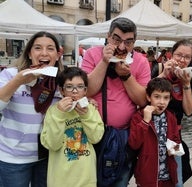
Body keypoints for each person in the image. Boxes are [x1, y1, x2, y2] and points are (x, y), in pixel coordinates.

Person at [81, 17, 151, 187]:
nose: (121, 47)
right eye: (116, 39)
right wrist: (104, 62)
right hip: (91, 133)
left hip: (124, 134)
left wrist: (126, 76)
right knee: (90, 180)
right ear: (108, 36)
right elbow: (87, 90)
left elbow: (143, 100)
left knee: (120, 179)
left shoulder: (140, 61)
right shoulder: (92, 54)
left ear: (134, 42)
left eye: (128, 42)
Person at [0, 31, 64, 187]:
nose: (44, 53)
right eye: (37, 48)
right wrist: (18, 81)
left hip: (47, 156)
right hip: (13, 157)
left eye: (50, 48)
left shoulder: (61, 81)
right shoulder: (11, 74)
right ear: (29, 53)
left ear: (57, 55)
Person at [41, 67, 104, 187]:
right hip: (59, 180)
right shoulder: (53, 111)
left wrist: (86, 116)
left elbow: (96, 138)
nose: (75, 91)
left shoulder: (91, 109)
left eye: (80, 87)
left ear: (85, 90)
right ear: (61, 90)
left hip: (87, 179)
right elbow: (52, 144)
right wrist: (59, 114)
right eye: (69, 86)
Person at [158, 39, 192, 187]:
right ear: (171, 54)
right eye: (178, 55)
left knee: (176, 177)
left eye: (187, 57)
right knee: (151, 175)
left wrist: (186, 84)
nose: (182, 60)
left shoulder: (190, 79)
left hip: (174, 136)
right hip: (153, 132)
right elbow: (145, 97)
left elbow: (189, 111)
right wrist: (163, 74)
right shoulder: (158, 69)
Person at [128, 77, 181, 187]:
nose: (161, 102)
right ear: (148, 97)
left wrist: (174, 149)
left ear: (170, 99)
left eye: (166, 98)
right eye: (157, 97)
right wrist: (145, 121)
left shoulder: (171, 117)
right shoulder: (138, 117)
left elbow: (176, 140)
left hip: (168, 175)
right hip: (147, 176)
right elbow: (134, 144)